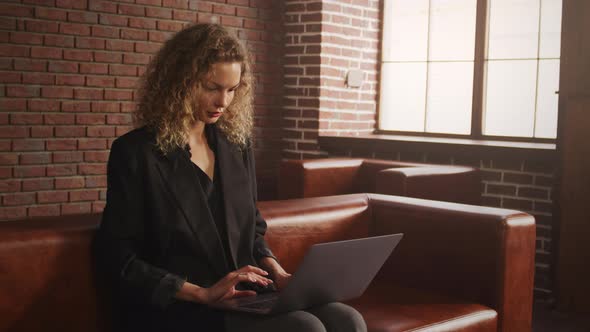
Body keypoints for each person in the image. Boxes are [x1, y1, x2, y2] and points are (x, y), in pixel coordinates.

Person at [95, 23, 367, 332]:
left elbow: (252, 230)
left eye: (232, 89)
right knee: (305, 328)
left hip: (245, 297)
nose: (223, 101)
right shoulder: (135, 152)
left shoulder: (236, 145)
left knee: (348, 319)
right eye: (211, 87)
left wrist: (276, 271)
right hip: (184, 306)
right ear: (179, 81)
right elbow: (117, 257)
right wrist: (203, 293)